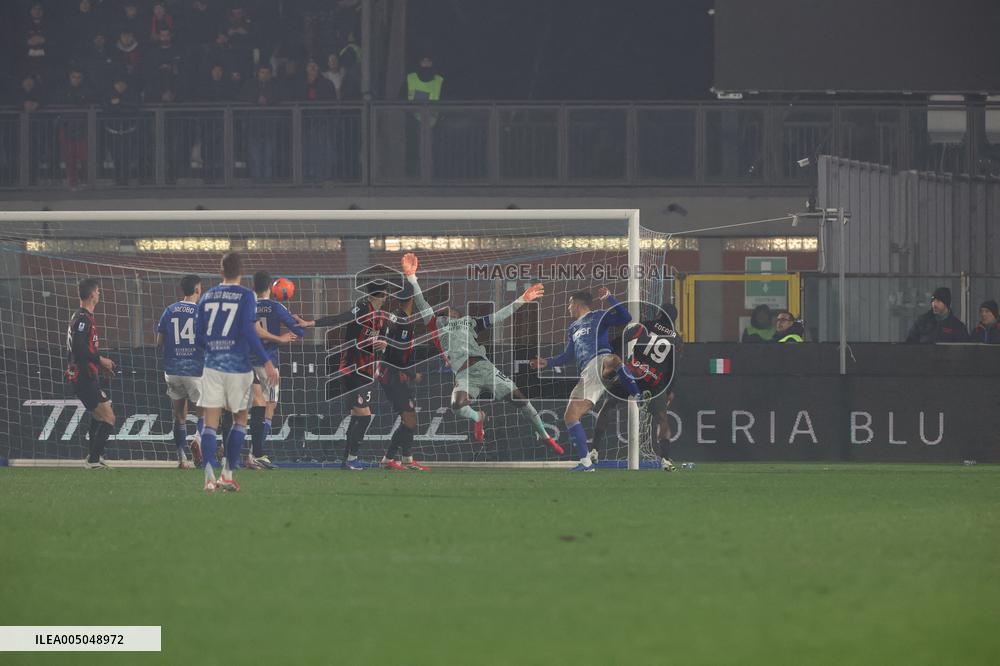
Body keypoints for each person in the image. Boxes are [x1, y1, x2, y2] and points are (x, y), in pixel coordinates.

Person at [404, 253, 563, 456]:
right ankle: (479, 417)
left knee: (522, 401)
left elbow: (499, 316)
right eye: (446, 312)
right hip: (464, 375)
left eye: (452, 312)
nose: (448, 313)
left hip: (485, 368)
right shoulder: (437, 326)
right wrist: (411, 277)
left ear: (459, 315)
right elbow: (421, 302)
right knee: (457, 405)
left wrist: (522, 299)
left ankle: (544, 435)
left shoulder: (469, 322)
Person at [530, 289, 640, 471]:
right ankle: (586, 463)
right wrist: (546, 362)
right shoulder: (572, 328)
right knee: (570, 416)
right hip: (587, 374)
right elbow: (568, 355)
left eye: (570, 303)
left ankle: (638, 395)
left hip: (600, 360)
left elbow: (626, 317)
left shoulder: (598, 316)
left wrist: (610, 298)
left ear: (578, 304)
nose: (568, 307)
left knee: (611, 359)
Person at [195, 252, 278, 492]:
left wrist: (212, 349)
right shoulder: (246, 295)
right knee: (240, 420)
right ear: (241, 272)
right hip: (239, 367)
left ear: (221, 271)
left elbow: (199, 335)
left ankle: (209, 478)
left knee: (210, 423)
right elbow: (249, 331)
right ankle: (227, 475)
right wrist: (267, 361)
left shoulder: (208, 296)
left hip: (212, 365)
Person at [592, 305, 681, 471]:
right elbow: (673, 367)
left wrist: (611, 349)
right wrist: (670, 391)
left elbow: (625, 337)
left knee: (608, 404)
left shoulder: (647, 324)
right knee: (662, 418)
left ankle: (594, 450)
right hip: (655, 382)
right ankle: (666, 460)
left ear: (659, 313)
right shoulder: (677, 339)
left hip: (634, 373)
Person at [247, 271, 307, 470]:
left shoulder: (247, 306)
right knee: (269, 407)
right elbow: (299, 330)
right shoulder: (276, 306)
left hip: (246, 363)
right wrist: (289, 332)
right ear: (271, 289)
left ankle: (227, 448)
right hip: (269, 364)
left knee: (241, 410)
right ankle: (257, 454)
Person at [376, 282, 430, 471]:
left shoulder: (394, 316)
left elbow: (386, 345)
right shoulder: (403, 321)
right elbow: (397, 356)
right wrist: (412, 374)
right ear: (412, 299)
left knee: (411, 417)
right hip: (392, 376)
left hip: (388, 373)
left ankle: (406, 459)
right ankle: (388, 459)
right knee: (409, 418)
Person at [65, 278, 117, 469]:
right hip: (83, 376)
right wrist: (101, 360)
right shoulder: (83, 319)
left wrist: (99, 365)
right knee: (109, 418)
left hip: (86, 375)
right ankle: (93, 460)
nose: (99, 294)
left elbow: (83, 349)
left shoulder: (81, 316)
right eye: (98, 291)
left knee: (99, 416)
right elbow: (79, 349)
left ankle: (94, 456)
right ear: (91, 295)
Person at [155, 275, 205, 468]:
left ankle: (182, 459)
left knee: (180, 416)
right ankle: (198, 440)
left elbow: (159, 342)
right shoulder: (202, 311)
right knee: (206, 412)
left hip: (172, 370)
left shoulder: (170, 310)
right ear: (198, 290)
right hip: (194, 369)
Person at [56, 68, 92, 189]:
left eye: (79, 77)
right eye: (74, 77)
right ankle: (72, 181)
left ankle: (84, 180)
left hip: (82, 128)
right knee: (69, 157)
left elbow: (86, 100)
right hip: (67, 127)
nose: (76, 80)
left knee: (83, 156)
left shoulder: (87, 90)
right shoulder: (62, 90)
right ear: (69, 78)